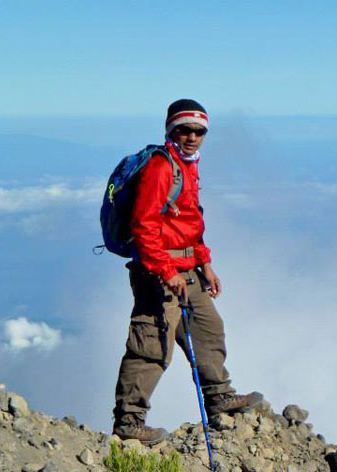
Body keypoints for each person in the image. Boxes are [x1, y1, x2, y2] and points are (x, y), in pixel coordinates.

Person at [111, 99, 262, 444]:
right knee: (152, 344)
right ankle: (129, 420)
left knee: (209, 329)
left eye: (199, 131)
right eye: (185, 129)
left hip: (187, 267)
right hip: (158, 271)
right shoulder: (161, 168)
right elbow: (144, 225)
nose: (192, 136)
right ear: (170, 130)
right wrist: (165, 271)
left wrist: (205, 263)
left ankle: (219, 397)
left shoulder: (187, 166)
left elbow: (191, 221)